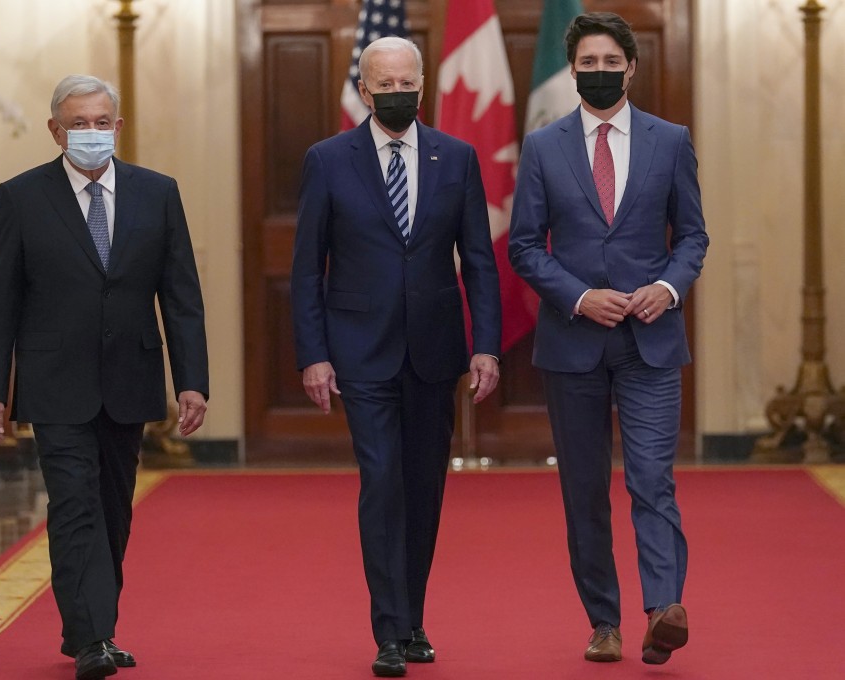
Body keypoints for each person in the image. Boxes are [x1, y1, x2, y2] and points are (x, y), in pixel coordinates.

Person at [0, 74, 209, 680]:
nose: (91, 133)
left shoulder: (158, 194)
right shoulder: (22, 197)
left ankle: (89, 627)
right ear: (56, 130)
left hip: (129, 377)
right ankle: (93, 639)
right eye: (79, 123)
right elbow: (1, 302)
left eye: (102, 122)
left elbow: (180, 296)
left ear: (119, 127)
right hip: (55, 381)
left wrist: (192, 380)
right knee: (74, 504)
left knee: (112, 508)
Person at [291, 37, 502, 678]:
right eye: (383, 84)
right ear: (364, 87)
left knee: (424, 488)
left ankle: (412, 619)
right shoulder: (328, 160)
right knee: (382, 481)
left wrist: (485, 344)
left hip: (435, 350)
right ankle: (388, 629)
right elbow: (306, 270)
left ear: (422, 83)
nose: (396, 93)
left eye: (406, 82)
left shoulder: (457, 157)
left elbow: (480, 262)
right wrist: (314, 354)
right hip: (360, 350)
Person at [508, 12, 708, 666]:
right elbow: (524, 247)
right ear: (573, 71)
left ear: (631, 67)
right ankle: (603, 622)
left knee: (654, 479)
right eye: (587, 64)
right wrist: (578, 295)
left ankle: (663, 610)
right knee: (585, 490)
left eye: (609, 63)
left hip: (651, 341)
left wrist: (669, 287)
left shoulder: (670, 140)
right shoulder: (542, 147)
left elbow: (694, 237)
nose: (599, 73)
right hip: (573, 345)